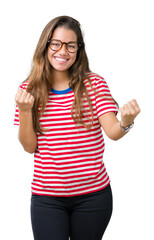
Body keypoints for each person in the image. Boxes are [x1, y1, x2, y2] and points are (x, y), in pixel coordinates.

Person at [14, 16, 140, 240]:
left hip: (93, 197)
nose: (63, 51)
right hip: (47, 198)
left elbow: (112, 131)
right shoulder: (28, 89)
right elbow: (29, 147)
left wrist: (126, 121)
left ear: (78, 50)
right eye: (56, 43)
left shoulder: (94, 84)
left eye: (71, 45)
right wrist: (25, 111)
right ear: (45, 45)